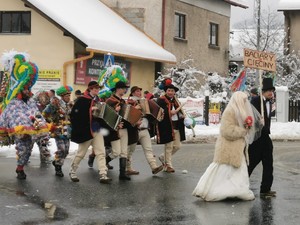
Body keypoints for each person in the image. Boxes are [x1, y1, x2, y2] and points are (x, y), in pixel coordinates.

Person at [192, 91, 257, 201]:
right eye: (244, 100)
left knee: (236, 170)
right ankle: (217, 191)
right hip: (228, 147)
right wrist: (243, 131)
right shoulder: (230, 111)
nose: (246, 102)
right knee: (223, 170)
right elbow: (226, 130)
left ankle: (237, 190)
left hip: (237, 148)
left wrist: (248, 127)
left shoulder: (241, 112)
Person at [0, 52, 49, 179]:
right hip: (20, 132)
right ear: (21, 89)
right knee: (22, 148)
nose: (28, 91)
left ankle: (20, 167)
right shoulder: (14, 102)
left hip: (31, 133)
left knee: (27, 151)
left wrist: (41, 126)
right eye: (25, 89)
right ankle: (20, 169)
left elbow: (37, 114)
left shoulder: (31, 101)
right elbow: (16, 117)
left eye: (29, 89)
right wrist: (25, 128)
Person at [69, 81, 112, 184]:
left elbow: (102, 116)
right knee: (81, 153)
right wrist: (90, 110)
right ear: (90, 89)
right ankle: (72, 171)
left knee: (101, 153)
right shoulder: (82, 100)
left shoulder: (99, 100)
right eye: (94, 88)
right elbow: (75, 115)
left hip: (97, 130)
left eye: (98, 88)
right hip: (86, 130)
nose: (97, 90)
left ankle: (103, 174)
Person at [248, 78, 276, 197]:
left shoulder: (271, 102)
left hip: (266, 136)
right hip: (257, 136)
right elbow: (250, 115)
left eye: (272, 90)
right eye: (268, 90)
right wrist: (259, 122)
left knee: (268, 162)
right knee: (252, 162)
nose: (270, 93)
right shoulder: (256, 100)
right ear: (263, 91)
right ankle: (239, 185)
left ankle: (265, 189)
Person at [126, 86, 164, 175]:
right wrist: (137, 108)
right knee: (130, 150)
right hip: (134, 130)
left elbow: (150, 113)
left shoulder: (145, 101)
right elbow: (128, 115)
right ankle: (128, 168)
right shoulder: (129, 102)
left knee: (149, 149)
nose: (139, 93)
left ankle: (154, 167)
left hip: (145, 129)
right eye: (137, 91)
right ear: (132, 93)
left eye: (140, 91)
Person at [43, 86, 73, 177]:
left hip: (68, 131)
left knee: (66, 151)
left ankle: (56, 162)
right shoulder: (55, 103)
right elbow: (45, 113)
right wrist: (51, 123)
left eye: (69, 95)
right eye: (67, 96)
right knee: (61, 149)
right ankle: (58, 168)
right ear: (62, 96)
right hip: (58, 131)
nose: (68, 97)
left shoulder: (71, 105)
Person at [156, 82, 185, 173]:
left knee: (178, 146)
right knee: (168, 147)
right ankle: (168, 165)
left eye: (172, 91)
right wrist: (169, 112)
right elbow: (159, 112)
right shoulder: (161, 100)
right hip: (167, 126)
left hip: (176, 126)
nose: (170, 92)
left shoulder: (176, 101)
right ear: (165, 91)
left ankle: (163, 157)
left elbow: (180, 112)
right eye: (169, 90)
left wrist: (182, 115)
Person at [105, 81, 131, 180]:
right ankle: (103, 162)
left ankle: (122, 173)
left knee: (124, 151)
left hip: (124, 128)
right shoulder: (110, 101)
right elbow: (106, 116)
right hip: (115, 129)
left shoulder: (123, 101)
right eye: (124, 88)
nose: (125, 90)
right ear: (118, 89)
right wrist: (115, 111)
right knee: (116, 152)